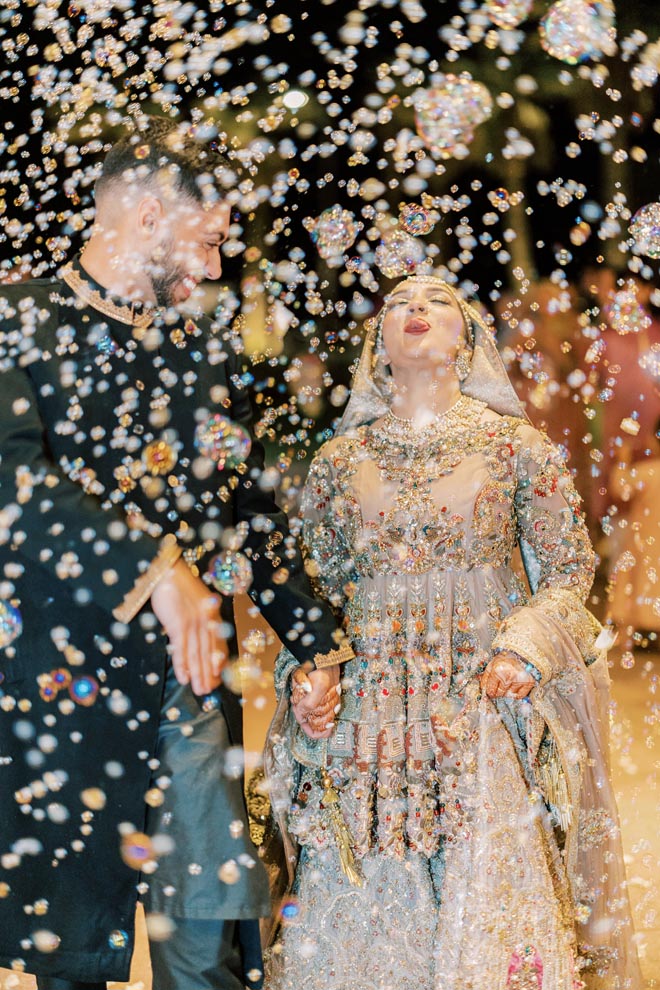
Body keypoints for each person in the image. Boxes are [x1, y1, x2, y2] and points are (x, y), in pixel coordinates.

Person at [0, 116, 351, 989]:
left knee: (212, 947)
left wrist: (320, 646)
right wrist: (157, 570)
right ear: (151, 213)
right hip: (59, 703)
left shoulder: (204, 351)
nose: (220, 263)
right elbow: (13, 486)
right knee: (72, 955)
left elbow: (251, 516)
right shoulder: (13, 320)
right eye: (211, 235)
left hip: (192, 699)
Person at [264, 275, 642, 990]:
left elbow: (568, 569)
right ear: (378, 344)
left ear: (468, 340)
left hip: (475, 701)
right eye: (400, 301)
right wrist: (309, 672)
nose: (415, 309)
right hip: (370, 714)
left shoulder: (517, 448)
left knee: (486, 882)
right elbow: (311, 594)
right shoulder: (338, 461)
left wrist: (523, 648)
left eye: (438, 301)